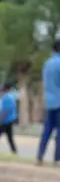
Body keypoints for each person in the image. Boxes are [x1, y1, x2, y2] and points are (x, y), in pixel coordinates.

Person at [37, 36, 60, 165]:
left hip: (49, 102)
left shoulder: (47, 64)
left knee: (47, 131)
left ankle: (39, 155)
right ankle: (57, 159)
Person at [0, 83, 18, 153]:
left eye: (2, 88)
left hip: (5, 121)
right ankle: (14, 151)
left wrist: (0, 121)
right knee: (10, 138)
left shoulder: (6, 97)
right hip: (11, 120)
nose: (1, 90)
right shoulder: (12, 97)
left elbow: (5, 111)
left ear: (5, 89)